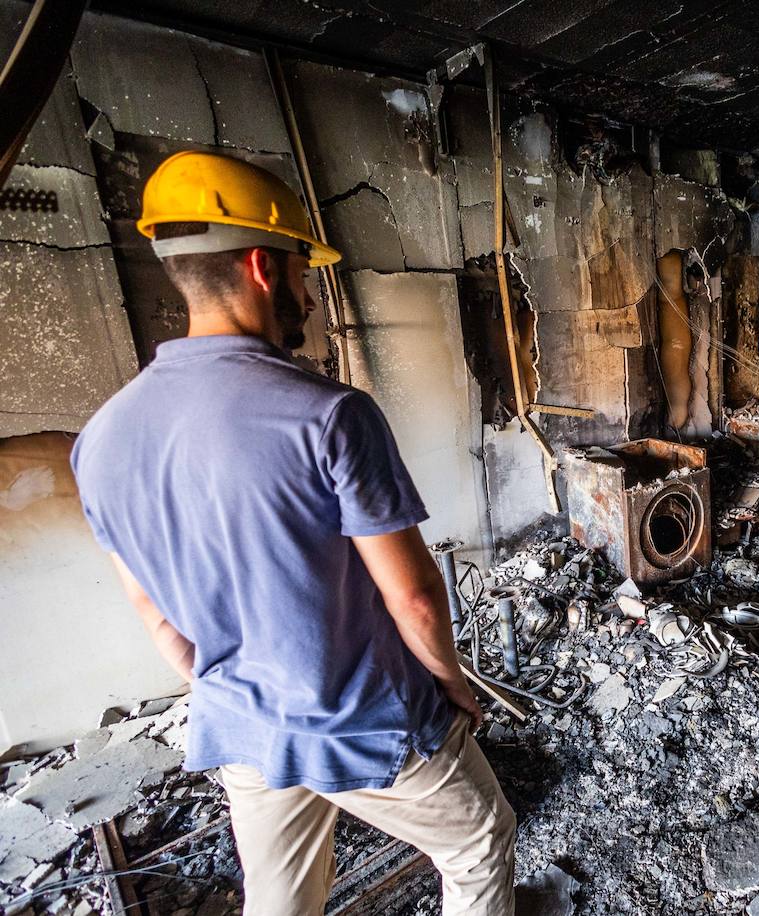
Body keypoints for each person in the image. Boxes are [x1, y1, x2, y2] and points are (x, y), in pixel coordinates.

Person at [71, 151, 515, 916]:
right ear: (261, 266)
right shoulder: (329, 416)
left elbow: (160, 620)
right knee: (478, 844)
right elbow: (412, 596)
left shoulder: (101, 439)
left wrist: (240, 689)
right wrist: (450, 684)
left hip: (242, 726)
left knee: (281, 896)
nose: (308, 295)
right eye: (304, 272)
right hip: (365, 721)